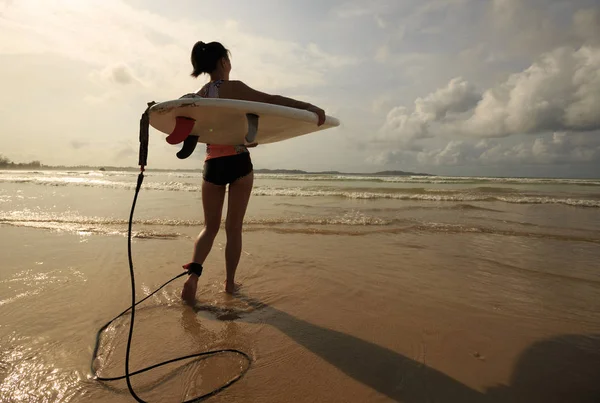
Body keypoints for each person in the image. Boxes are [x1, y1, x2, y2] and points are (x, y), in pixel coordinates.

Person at [181, 41, 326, 304]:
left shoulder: (199, 95)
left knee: (209, 227)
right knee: (233, 228)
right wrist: (309, 107)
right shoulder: (235, 87)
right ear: (224, 62)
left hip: (212, 163)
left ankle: (193, 277)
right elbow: (271, 101)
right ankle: (229, 284)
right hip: (238, 162)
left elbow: (197, 128)